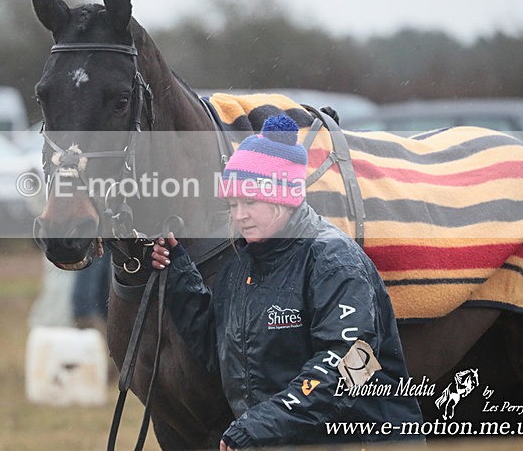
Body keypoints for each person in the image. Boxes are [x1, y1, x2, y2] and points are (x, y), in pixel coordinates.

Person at [150, 115, 423, 449]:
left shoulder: (333, 259)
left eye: (250, 201)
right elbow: (220, 351)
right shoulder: (241, 264)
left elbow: (353, 366)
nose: (239, 215)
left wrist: (260, 425)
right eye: (233, 204)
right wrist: (179, 274)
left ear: (285, 197)